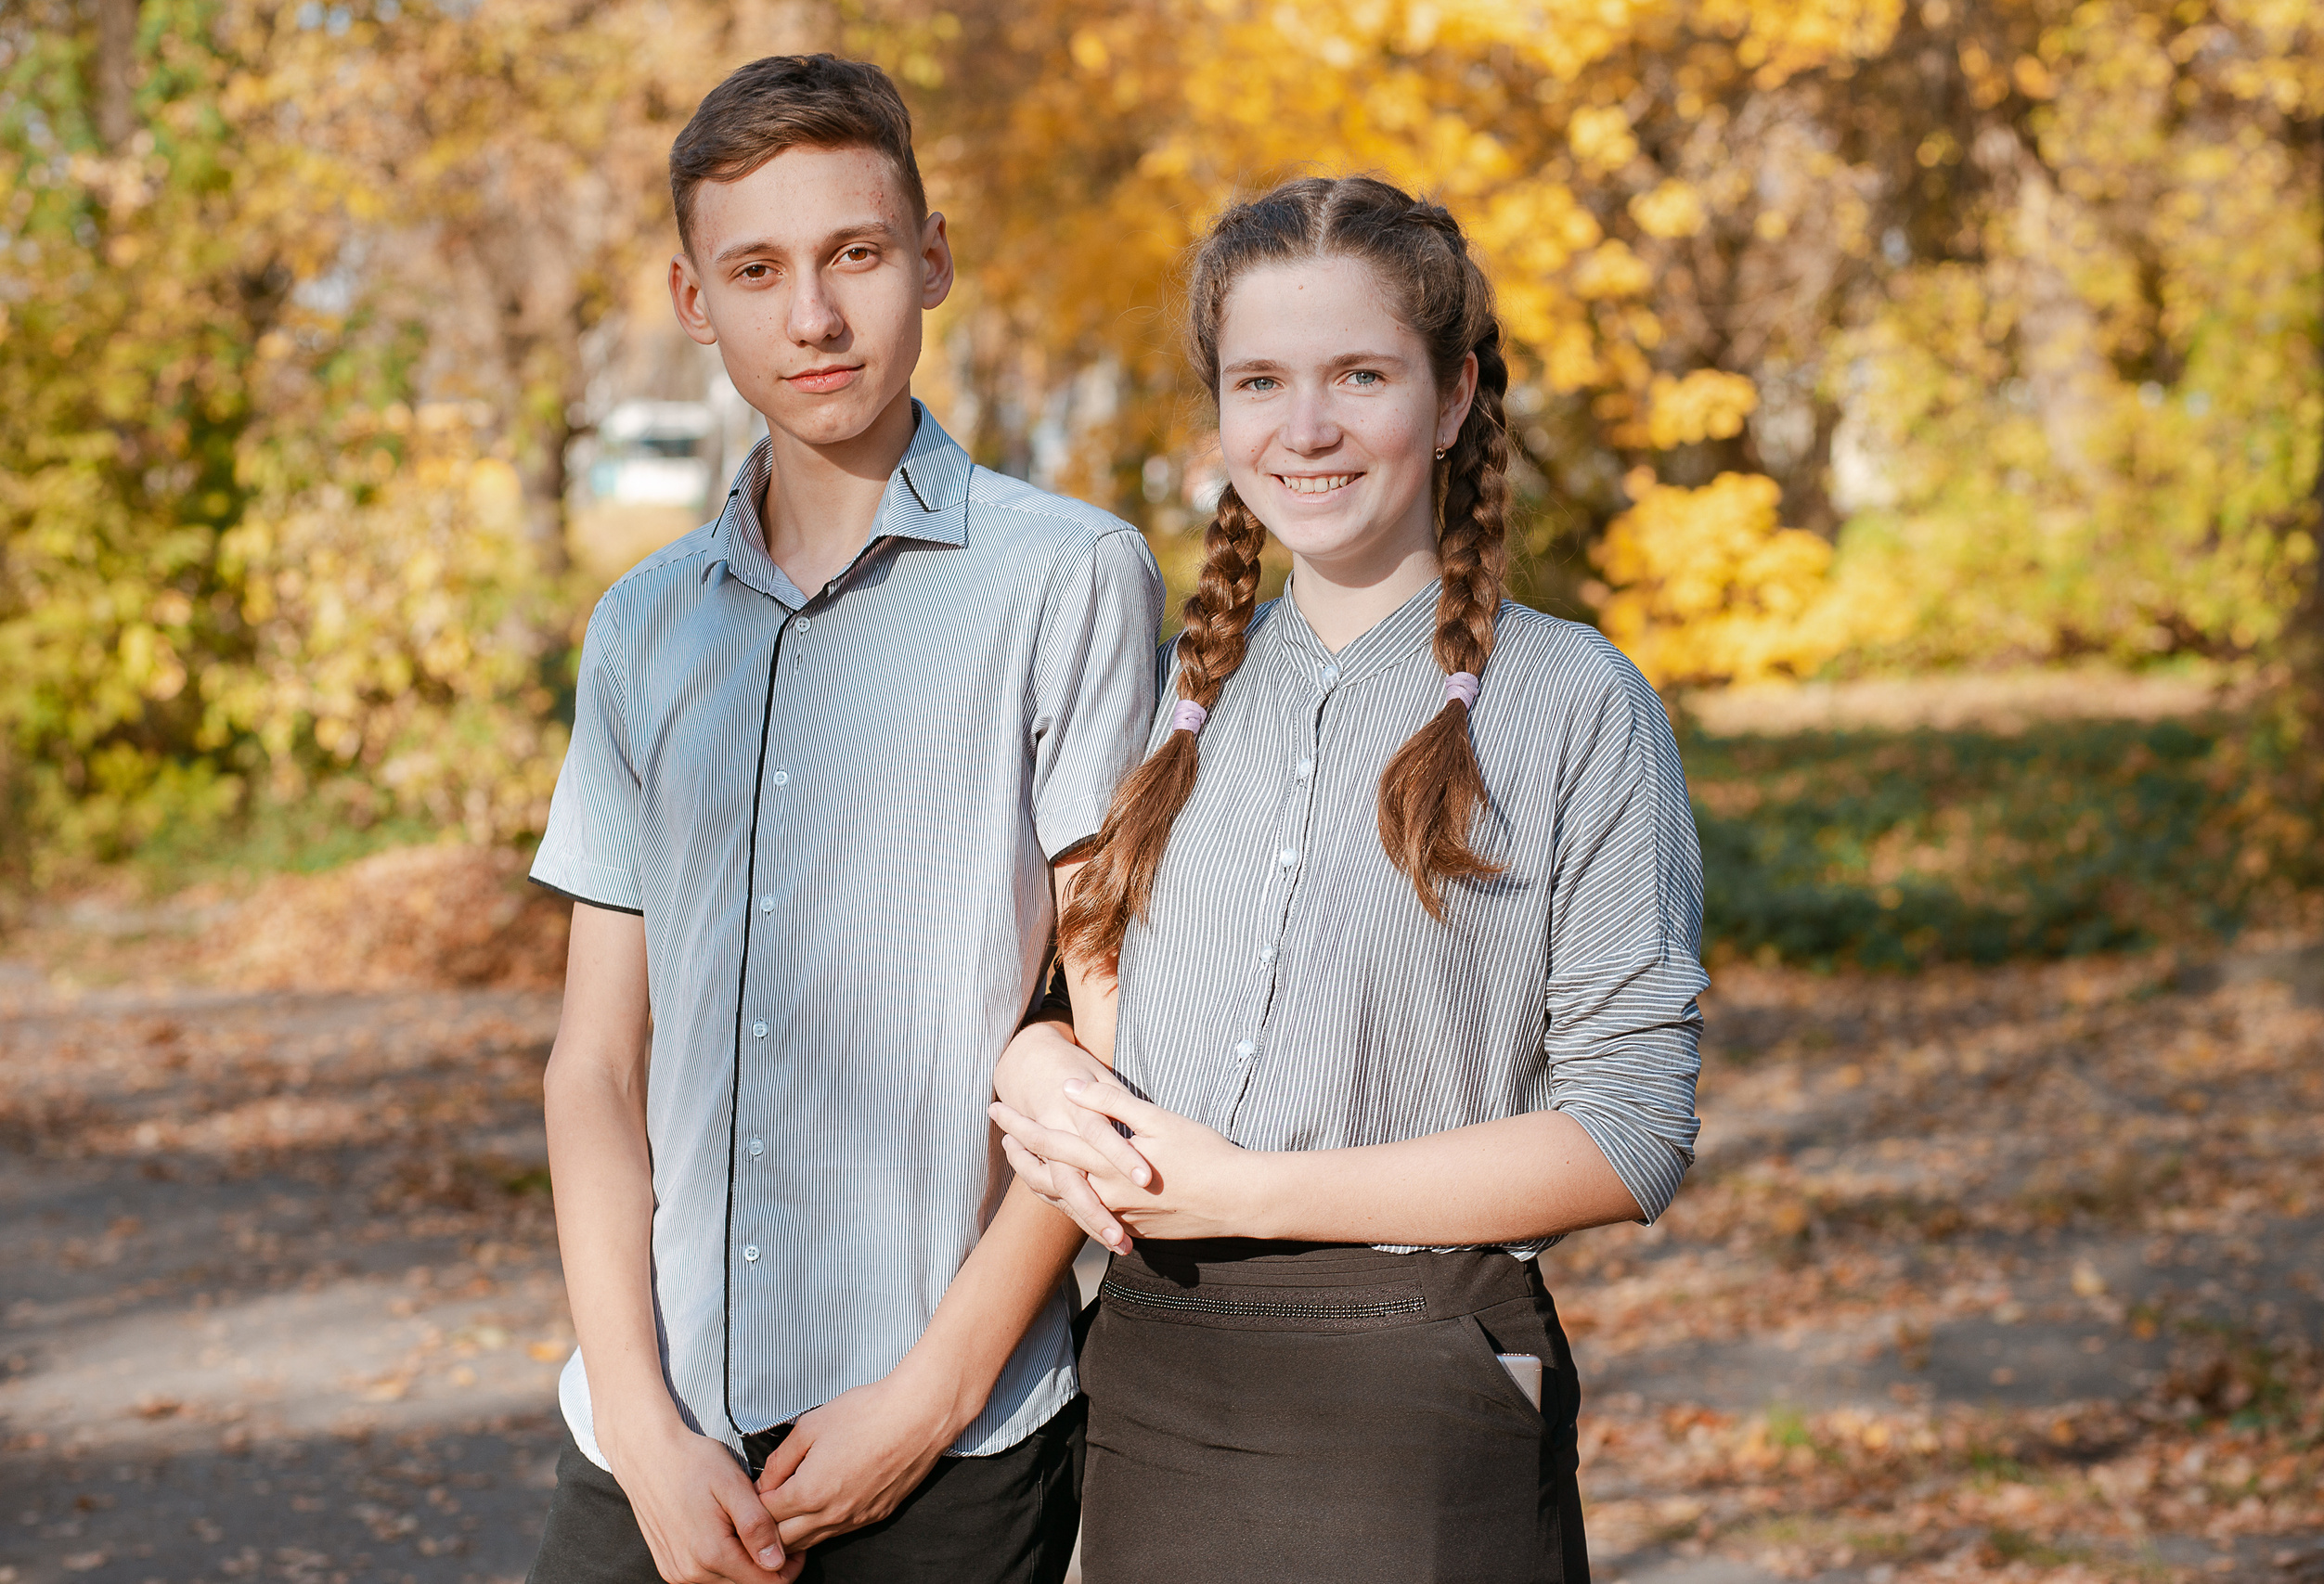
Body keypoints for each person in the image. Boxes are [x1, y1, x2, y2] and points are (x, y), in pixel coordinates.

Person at [990, 174, 1707, 1583]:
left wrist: (1251, 1189)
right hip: (1150, 1374)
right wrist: (1031, 1068)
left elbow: (1629, 1135)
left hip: (1418, 1388)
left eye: (1360, 375)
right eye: (1260, 380)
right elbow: (1080, 1008)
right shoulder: (1164, 696)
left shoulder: (1577, 701)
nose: (1304, 428)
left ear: (1451, 400)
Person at [525, 53, 1159, 1584]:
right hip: (650, 1442)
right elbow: (596, 1063)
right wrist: (639, 1418)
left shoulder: (1068, 579)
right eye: (757, 270)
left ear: (929, 258)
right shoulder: (642, 626)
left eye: (855, 256)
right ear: (695, 300)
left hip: (946, 1438)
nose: (811, 318)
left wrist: (931, 1396)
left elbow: (1118, 1028)